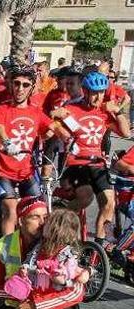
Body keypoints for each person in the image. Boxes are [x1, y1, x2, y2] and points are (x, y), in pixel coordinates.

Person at [52, 70, 130, 243]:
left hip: (97, 163)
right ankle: (59, 216)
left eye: (101, 92)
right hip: (76, 163)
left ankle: (98, 249)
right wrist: (63, 132)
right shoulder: (72, 108)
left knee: (109, 203)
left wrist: (117, 110)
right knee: (86, 197)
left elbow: (125, 132)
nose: (98, 97)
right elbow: (54, 121)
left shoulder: (104, 112)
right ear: (85, 91)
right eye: (94, 93)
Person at [0, 65, 60, 236]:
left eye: (25, 85)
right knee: (11, 210)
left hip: (26, 172)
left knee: (40, 211)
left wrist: (71, 140)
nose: (20, 88)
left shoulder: (36, 111)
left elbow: (52, 126)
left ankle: (32, 249)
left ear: (32, 88)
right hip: (3, 172)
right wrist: (7, 143)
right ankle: (9, 257)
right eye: (16, 83)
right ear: (11, 85)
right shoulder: (2, 108)